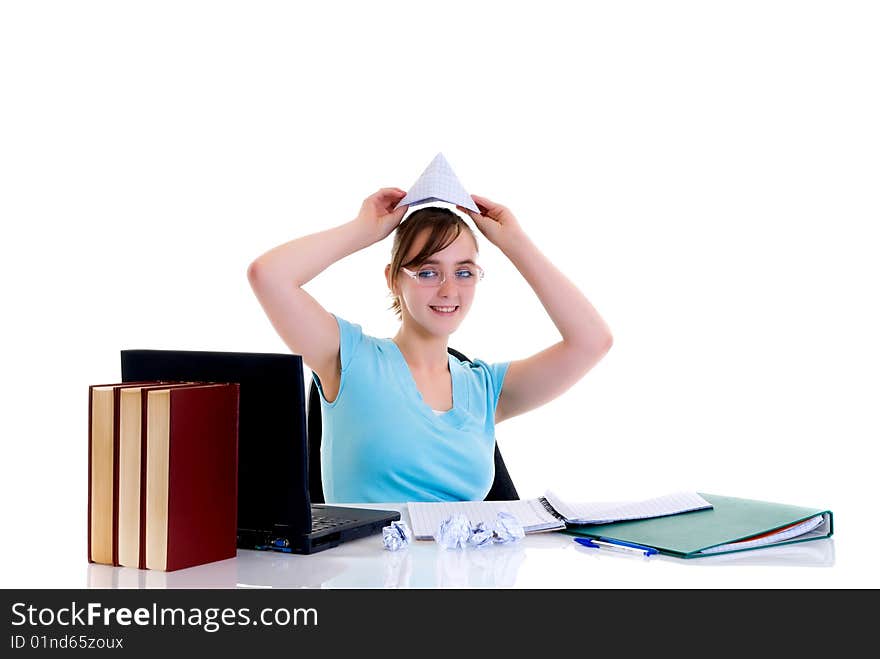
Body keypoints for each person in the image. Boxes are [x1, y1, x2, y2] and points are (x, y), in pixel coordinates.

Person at [247, 187, 613, 503]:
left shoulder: (485, 389)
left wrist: (513, 242)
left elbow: (592, 340)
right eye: (427, 271)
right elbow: (269, 275)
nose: (449, 289)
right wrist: (363, 230)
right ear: (393, 279)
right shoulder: (349, 358)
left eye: (464, 272)